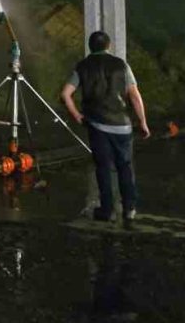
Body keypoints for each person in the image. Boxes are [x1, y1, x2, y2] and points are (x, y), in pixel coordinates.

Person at [60, 30, 150, 228]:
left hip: (98, 125)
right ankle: (130, 209)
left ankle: (107, 210)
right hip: (123, 126)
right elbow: (135, 95)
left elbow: (65, 94)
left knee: (103, 168)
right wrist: (142, 122)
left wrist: (77, 116)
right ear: (108, 46)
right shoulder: (121, 65)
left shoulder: (82, 67)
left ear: (90, 46)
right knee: (125, 166)